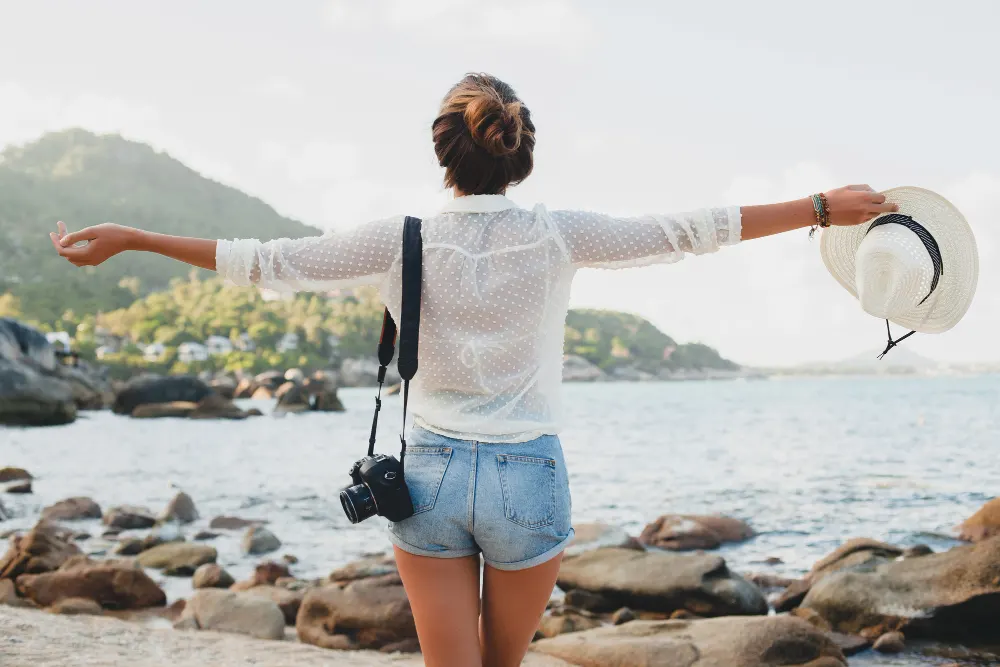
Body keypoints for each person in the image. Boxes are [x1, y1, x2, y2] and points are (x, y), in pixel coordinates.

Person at [50, 73, 897, 667]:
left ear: (445, 154)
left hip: (428, 474)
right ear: (519, 157)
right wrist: (821, 207)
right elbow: (689, 229)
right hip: (530, 475)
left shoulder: (401, 235)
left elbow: (263, 258)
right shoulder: (558, 232)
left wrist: (134, 234)